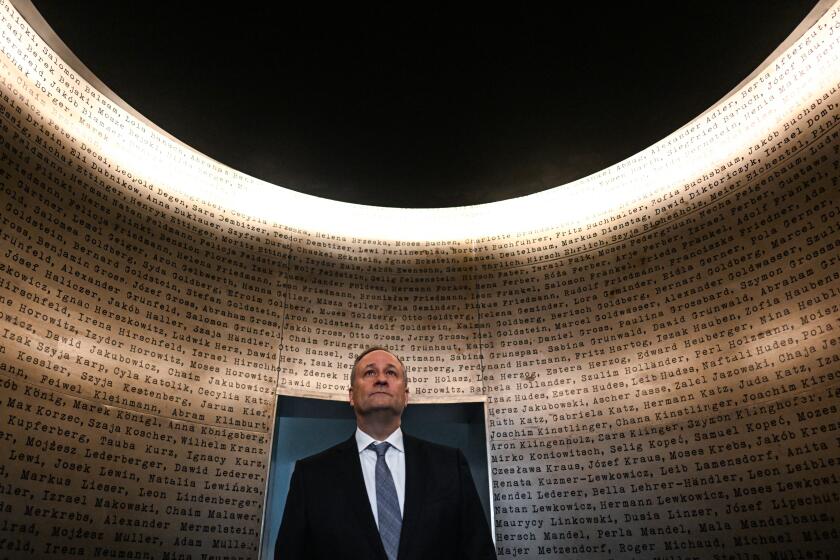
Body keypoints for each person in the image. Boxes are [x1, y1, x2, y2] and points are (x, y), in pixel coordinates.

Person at [275, 346, 496, 560]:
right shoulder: (311, 475)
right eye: (369, 372)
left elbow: (478, 552)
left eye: (391, 372)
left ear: (406, 396)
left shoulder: (450, 466)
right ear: (351, 396)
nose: (381, 379)